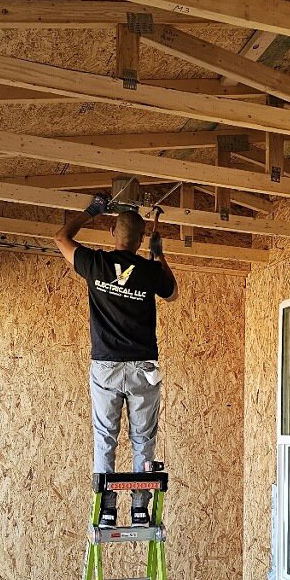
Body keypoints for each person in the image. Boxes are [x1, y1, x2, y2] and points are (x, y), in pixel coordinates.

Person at [54, 192, 178, 527]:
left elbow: (61, 238)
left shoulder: (95, 264)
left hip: (107, 367)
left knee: (105, 436)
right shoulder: (150, 270)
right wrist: (158, 254)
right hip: (142, 368)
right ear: (139, 240)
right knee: (143, 438)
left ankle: (107, 509)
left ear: (113, 234)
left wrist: (92, 210)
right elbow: (173, 291)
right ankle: (140, 508)